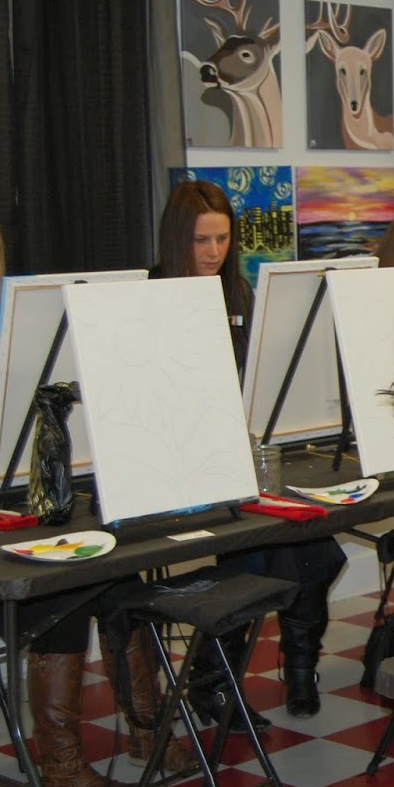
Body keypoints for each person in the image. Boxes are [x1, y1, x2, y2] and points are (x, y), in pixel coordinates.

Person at [0, 198, 193, 787]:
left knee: (118, 575)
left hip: (27, 489)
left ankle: (149, 733)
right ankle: (62, 766)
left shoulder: (22, 313)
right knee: (59, 593)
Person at [153, 182, 347, 725]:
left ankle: (291, 669)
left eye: (222, 239)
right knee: (261, 554)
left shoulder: (237, 293)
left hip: (240, 460)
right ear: (177, 239)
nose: (213, 251)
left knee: (311, 544)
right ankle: (216, 682)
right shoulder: (150, 294)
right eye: (201, 240)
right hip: (178, 467)